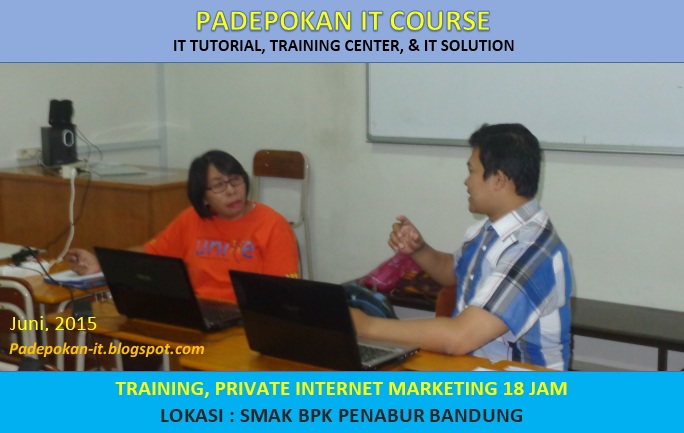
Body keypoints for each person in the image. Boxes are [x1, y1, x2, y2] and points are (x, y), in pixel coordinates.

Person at [351, 123, 573, 370]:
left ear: (499, 180)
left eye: (472, 171)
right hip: (472, 366)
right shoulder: (490, 230)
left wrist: (365, 326)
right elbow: (454, 272)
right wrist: (419, 250)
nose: (467, 181)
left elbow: (459, 337)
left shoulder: (532, 250)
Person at [66, 150, 299, 303]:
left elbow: (282, 294)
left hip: (245, 320)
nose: (231, 190)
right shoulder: (191, 220)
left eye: (235, 180)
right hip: (197, 313)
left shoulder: (273, 226)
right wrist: (99, 263)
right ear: (203, 197)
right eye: (219, 185)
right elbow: (149, 254)